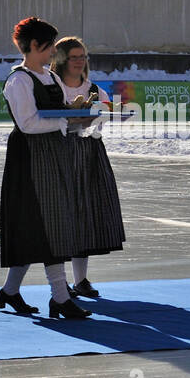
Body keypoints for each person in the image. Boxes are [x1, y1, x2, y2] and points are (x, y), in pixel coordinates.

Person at [0, 17, 93, 319]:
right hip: (29, 160)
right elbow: (27, 124)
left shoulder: (49, 78)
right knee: (48, 226)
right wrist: (67, 120)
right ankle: (60, 298)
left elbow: (57, 115)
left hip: (53, 156)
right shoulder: (19, 81)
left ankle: (10, 291)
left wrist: (80, 118)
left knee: (42, 228)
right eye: (50, 45)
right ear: (36, 46)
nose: (54, 51)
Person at [50, 36, 125, 298]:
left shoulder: (95, 89)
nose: (80, 61)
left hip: (89, 152)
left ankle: (80, 280)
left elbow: (101, 120)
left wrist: (92, 119)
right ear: (61, 60)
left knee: (86, 214)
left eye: (83, 56)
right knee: (63, 216)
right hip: (60, 152)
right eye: (74, 56)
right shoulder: (52, 87)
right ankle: (61, 284)